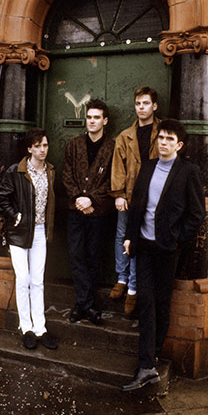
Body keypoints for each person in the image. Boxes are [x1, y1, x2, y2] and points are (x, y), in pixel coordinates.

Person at [122, 119, 205, 391]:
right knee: (146, 301)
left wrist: (178, 239)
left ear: (179, 145)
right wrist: (130, 238)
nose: (163, 142)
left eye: (169, 139)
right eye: (161, 138)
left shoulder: (188, 171)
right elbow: (137, 206)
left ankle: (153, 354)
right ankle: (146, 365)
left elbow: (196, 214)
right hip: (143, 246)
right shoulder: (147, 167)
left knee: (161, 303)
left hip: (168, 249)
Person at [0, 128, 58, 351]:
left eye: (45, 145)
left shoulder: (50, 171)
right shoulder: (16, 171)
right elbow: (2, 198)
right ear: (29, 148)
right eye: (38, 146)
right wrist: (15, 215)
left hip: (40, 231)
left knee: (37, 279)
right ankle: (26, 327)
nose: (43, 150)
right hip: (19, 232)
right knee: (22, 279)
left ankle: (40, 327)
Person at [62, 99, 115, 325]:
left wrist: (91, 200)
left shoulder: (112, 147)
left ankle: (82, 304)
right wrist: (79, 199)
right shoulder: (74, 145)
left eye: (96, 118)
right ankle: (86, 305)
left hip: (98, 212)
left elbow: (113, 179)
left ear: (104, 121)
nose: (92, 121)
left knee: (93, 257)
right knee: (76, 256)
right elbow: (67, 175)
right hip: (75, 211)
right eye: (89, 117)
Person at [110, 86, 160, 314]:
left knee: (140, 239)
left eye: (146, 103)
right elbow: (118, 166)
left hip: (151, 197)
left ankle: (133, 286)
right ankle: (121, 277)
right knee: (122, 234)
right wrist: (119, 194)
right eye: (138, 104)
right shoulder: (124, 136)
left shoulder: (162, 133)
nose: (141, 108)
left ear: (154, 106)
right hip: (128, 196)